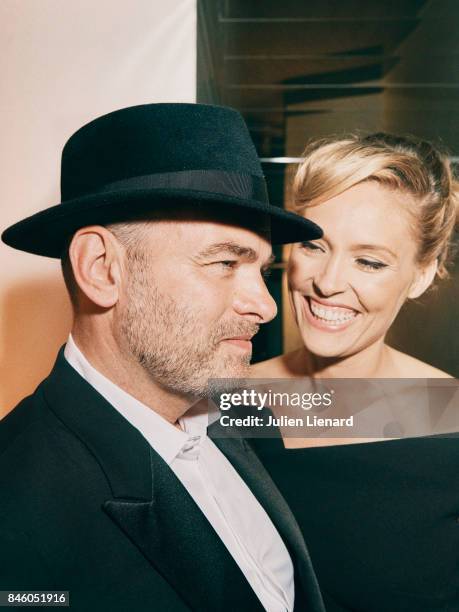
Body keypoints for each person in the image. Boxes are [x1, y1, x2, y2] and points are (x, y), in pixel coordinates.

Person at [0, 103, 326, 612]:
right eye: (223, 262)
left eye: (261, 271)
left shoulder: (235, 411)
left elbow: (384, 410)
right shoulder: (16, 506)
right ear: (103, 268)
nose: (265, 306)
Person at [250, 133, 459, 611]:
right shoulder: (228, 402)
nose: (327, 282)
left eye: (369, 261)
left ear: (423, 273)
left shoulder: (449, 417)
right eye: (313, 245)